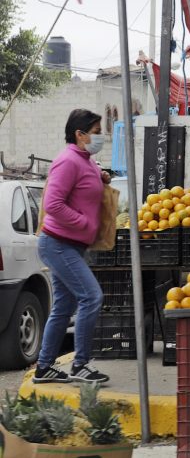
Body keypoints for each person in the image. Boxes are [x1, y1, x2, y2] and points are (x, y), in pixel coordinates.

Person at [33, 109, 111, 384]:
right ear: (80, 134)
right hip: (58, 244)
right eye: (97, 132)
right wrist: (84, 223)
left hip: (72, 246)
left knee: (63, 308)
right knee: (91, 297)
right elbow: (52, 204)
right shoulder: (67, 161)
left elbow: (85, 181)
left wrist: (101, 177)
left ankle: (43, 368)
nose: (101, 137)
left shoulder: (85, 160)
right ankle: (80, 364)